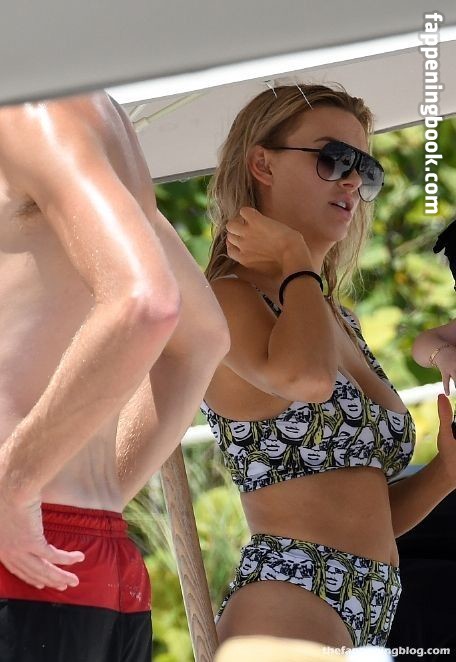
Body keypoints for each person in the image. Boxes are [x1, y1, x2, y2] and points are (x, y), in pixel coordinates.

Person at [200, 83, 456, 649]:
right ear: (263, 164)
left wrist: (445, 473)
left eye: (365, 170)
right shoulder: (228, 297)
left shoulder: (335, 317)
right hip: (287, 596)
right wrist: (295, 258)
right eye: (334, 158)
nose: (351, 181)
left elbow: (367, 516)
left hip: (370, 603)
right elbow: (308, 381)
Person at [0, 91, 229, 662]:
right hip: (68, 549)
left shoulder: (29, 105)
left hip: (26, 552)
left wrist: (15, 483)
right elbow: (201, 339)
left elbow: (145, 305)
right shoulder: (84, 110)